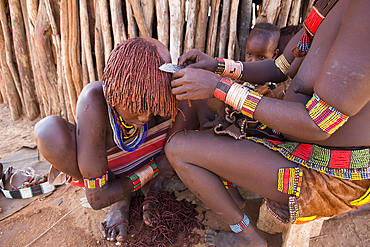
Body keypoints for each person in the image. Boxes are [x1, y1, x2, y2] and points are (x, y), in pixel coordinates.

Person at [166, 0, 370, 246]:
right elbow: (279, 66)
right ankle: (233, 196)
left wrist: (220, 87)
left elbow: (319, 123)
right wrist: (217, 66)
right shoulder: (330, 3)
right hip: (290, 136)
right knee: (206, 102)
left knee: (178, 149)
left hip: (329, 175)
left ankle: (250, 239)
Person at [34, 37, 180, 243]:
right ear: (112, 93)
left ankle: (154, 187)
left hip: (154, 153)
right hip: (116, 168)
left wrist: (157, 173)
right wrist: (154, 169)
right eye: (136, 107)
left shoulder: (164, 91)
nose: (145, 117)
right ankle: (122, 199)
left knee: (188, 103)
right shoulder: (93, 101)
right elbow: (98, 198)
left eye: (151, 106)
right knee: (48, 132)